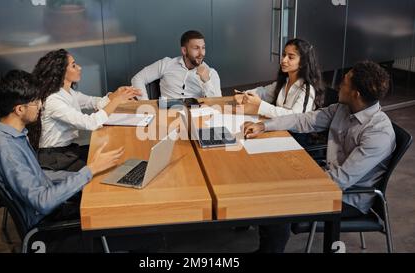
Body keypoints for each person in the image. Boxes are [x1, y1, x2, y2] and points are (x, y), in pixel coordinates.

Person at [242, 61, 396, 252]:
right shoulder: (344, 108)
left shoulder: (378, 134)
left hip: (347, 197)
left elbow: (340, 180)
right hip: (327, 176)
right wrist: (265, 126)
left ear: (356, 94)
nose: (339, 84)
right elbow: (306, 120)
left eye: (345, 82)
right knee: (271, 176)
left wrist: (294, 184)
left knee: (278, 199)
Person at [0, 70, 125, 230]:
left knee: (109, 191)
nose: (40, 106)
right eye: (35, 102)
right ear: (19, 109)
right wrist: (89, 172)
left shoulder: (13, 134)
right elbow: (42, 202)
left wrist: (87, 175)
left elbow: (41, 174)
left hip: (54, 200)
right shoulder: (6, 149)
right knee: (118, 210)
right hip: (47, 222)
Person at [29, 49, 141, 172]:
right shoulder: (53, 100)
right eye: (73, 66)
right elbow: (90, 123)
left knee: (112, 153)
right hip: (54, 158)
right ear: (61, 73)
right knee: (109, 165)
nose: (79, 67)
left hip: (67, 150)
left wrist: (117, 94)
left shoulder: (67, 92)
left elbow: (92, 102)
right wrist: (117, 100)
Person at [234, 38, 324, 118]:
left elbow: (296, 118)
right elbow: (263, 92)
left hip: (294, 136)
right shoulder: (284, 82)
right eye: (284, 55)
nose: (284, 60)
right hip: (279, 128)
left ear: (303, 63)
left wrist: (260, 105)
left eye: (291, 57)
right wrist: (244, 95)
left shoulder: (307, 88)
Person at [131, 30, 222, 99]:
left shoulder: (211, 73)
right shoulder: (166, 64)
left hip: (195, 117)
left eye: (203, 48)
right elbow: (137, 78)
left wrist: (207, 81)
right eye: (196, 48)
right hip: (165, 115)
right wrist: (146, 106)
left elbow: (218, 105)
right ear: (184, 50)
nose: (201, 53)